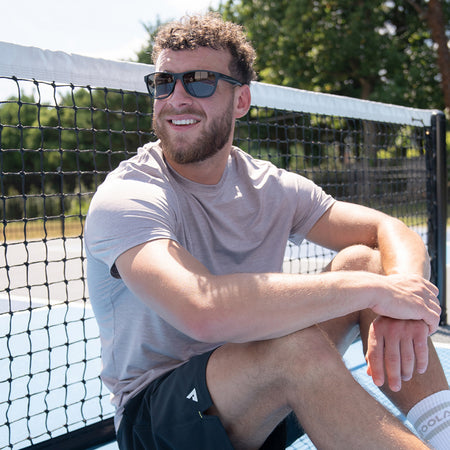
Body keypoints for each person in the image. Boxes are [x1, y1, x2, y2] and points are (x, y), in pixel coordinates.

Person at [84, 13, 450, 450]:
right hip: (164, 421)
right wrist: (374, 291)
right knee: (304, 346)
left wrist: (402, 289)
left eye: (199, 82)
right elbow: (202, 309)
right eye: (164, 82)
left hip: (267, 390)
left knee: (367, 259)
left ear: (241, 101)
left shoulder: (266, 184)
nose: (176, 98)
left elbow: (384, 228)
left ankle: (443, 429)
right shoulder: (128, 195)